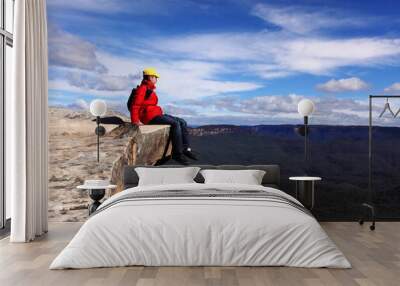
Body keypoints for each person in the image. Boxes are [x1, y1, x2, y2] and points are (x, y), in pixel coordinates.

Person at [130, 68, 198, 165]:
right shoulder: (143, 89)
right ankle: (177, 154)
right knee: (175, 124)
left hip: (156, 114)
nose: (156, 79)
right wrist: (135, 121)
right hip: (149, 117)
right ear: (150, 77)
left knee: (182, 122)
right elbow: (135, 105)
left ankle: (186, 149)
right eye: (155, 77)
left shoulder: (149, 89)